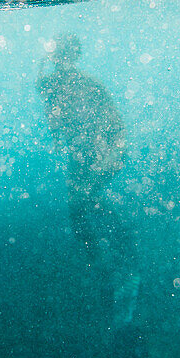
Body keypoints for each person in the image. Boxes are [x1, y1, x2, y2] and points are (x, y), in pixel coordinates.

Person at [37, 32, 138, 327]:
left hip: (96, 151)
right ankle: (107, 267)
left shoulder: (81, 84)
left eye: (60, 54)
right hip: (85, 153)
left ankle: (116, 265)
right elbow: (45, 91)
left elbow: (113, 122)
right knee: (80, 209)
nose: (58, 59)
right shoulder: (57, 83)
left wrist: (108, 154)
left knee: (82, 206)